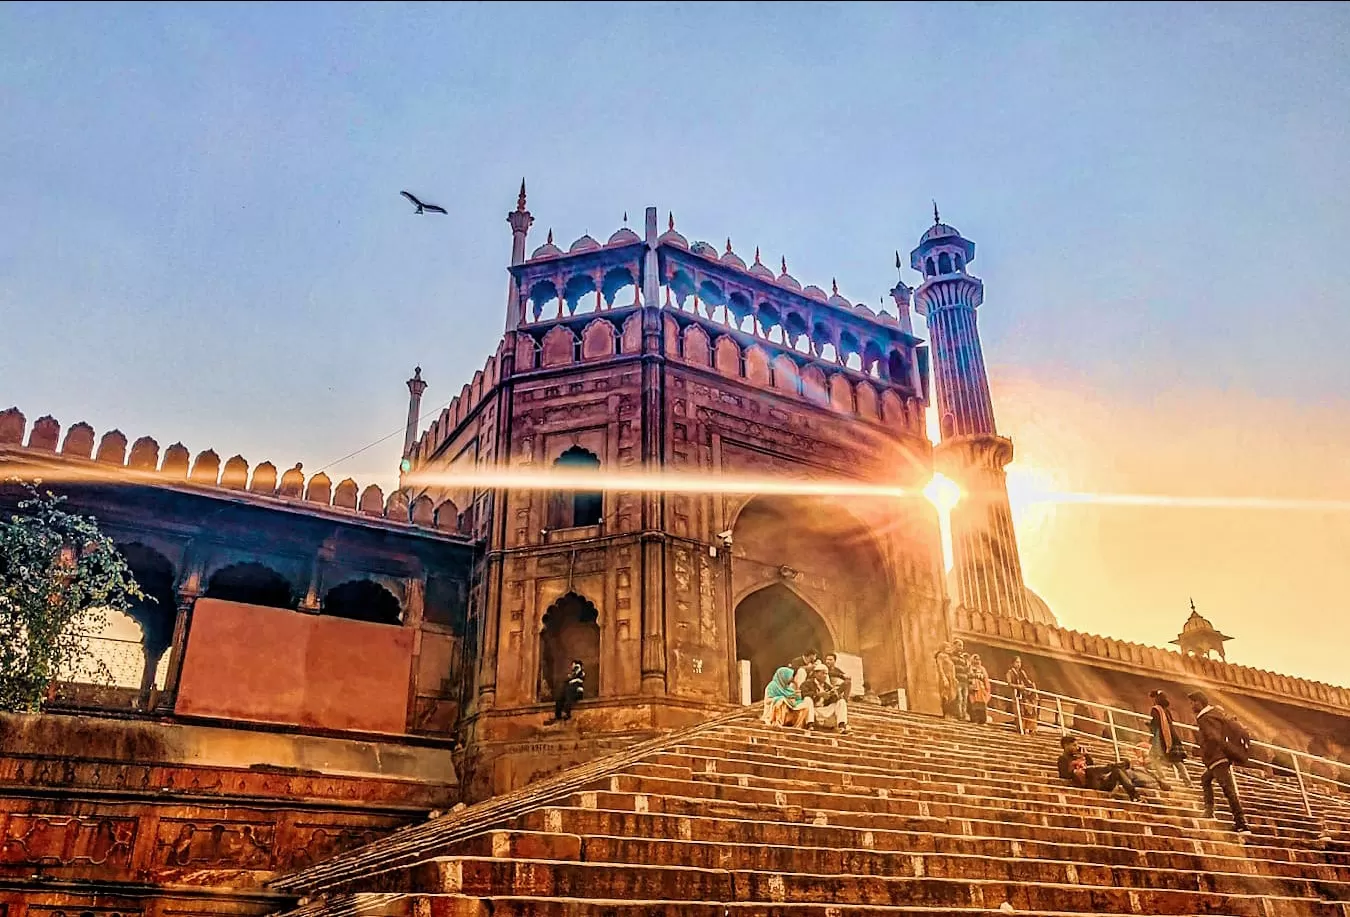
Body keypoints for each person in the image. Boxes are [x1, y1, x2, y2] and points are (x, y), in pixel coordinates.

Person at [1187, 690, 1252, 834]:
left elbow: (1213, 737)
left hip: (1217, 758)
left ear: (1199, 702)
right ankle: (1209, 811)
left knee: (1228, 789)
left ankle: (1241, 823)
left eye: (1192, 703)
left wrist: (1206, 752)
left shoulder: (1205, 717)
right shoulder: (1215, 714)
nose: (1191, 706)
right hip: (1219, 757)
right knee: (1205, 779)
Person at [1056, 734, 1140, 802]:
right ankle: (1113, 766)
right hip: (1089, 782)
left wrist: (1086, 756)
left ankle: (1135, 796)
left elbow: (1091, 765)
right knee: (1089, 770)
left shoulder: (1080, 756)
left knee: (1117, 771)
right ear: (1066, 745)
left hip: (1100, 782)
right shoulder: (1062, 759)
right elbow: (1063, 775)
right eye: (1074, 745)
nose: (1077, 747)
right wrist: (1073, 769)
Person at [1147, 689, 1192, 790]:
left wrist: (1149, 725)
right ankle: (1188, 782)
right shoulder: (1166, 710)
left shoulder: (1155, 709)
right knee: (1177, 760)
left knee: (1153, 757)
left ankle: (1162, 778)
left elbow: (1156, 723)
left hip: (1161, 737)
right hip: (1172, 736)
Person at [801, 662, 849, 733]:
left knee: (841, 702)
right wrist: (818, 695)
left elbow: (832, 700)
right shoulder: (807, 684)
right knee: (807, 699)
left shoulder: (827, 686)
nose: (825, 676)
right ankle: (810, 724)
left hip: (824, 709)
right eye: (823, 673)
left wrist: (835, 695)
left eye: (826, 674)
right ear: (815, 674)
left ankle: (842, 726)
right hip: (813, 709)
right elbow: (804, 694)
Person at [1006, 656, 1039, 734]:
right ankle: (1019, 729)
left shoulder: (1022, 672)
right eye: (1017, 662)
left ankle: (1027, 728)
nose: (1018, 664)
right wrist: (1018, 686)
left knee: (1026, 711)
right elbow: (1009, 683)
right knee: (1018, 712)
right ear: (1013, 663)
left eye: (1019, 662)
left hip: (1023, 695)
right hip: (1016, 695)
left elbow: (1026, 680)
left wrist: (1031, 684)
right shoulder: (1010, 672)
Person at [968, 653, 992, 725]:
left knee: (982, 704)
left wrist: (987, 690)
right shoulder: (969, 667)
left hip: (981, 690)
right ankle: (975, 719)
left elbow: (986, 679)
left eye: (978, 659)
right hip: (973, 689)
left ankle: (982, 720)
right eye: (975, 659)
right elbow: (967, 676)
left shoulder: (982, 669)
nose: (977, 661)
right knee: (974, 704)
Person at [935, 643, 958, 718]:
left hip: (950, 678)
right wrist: (944, 678)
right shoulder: (940, 656)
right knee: (945, 695)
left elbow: (952, 668)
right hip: (944, 677)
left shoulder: (948, 657)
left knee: (952, 695)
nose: (949, 649)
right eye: (947, 647)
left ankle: (950, 713)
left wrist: (954, 678)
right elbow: (940, 667)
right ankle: (946, 713)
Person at [951, 638, 971, 721]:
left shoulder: (963, 658)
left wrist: (968, 664)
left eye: (962, 645)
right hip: (957, 680)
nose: (961, 647)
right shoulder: (951, 656)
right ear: (954, 645)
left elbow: (966, 670)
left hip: (964, 681)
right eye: (959, 645)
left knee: (965, 699)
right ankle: (959, 714)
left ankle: (963, 714)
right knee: (959, 698)